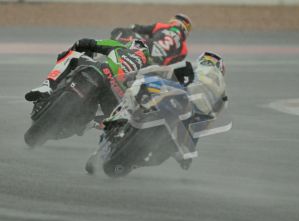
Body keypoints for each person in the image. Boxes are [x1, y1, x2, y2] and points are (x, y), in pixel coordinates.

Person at [99, 51, 227, 172]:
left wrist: (133, 74)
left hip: (179, 99)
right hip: (190, 115)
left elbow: (162, 70)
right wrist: (188, 150)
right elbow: (207, 123)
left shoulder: (193, 67)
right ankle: (136, 160)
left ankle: (123, 114)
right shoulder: (221, 92)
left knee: (142, 82)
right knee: (175, 149)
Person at [25, 38, 151, 105]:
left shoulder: (119, 47)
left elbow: (86, 42)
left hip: (103, 71)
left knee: (70, 55)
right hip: (116, 93)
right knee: (110, 122)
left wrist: (75, 48)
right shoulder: (147, 69)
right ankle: (92, 124)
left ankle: (47, 86)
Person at [110, 14, 192, 65]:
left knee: (119, 31)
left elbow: (137, 28)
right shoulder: (184, 50)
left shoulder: (162, 26)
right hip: (157, 64)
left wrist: (133, 27)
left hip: (145, 48)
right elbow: (171, 64)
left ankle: (110, 53)